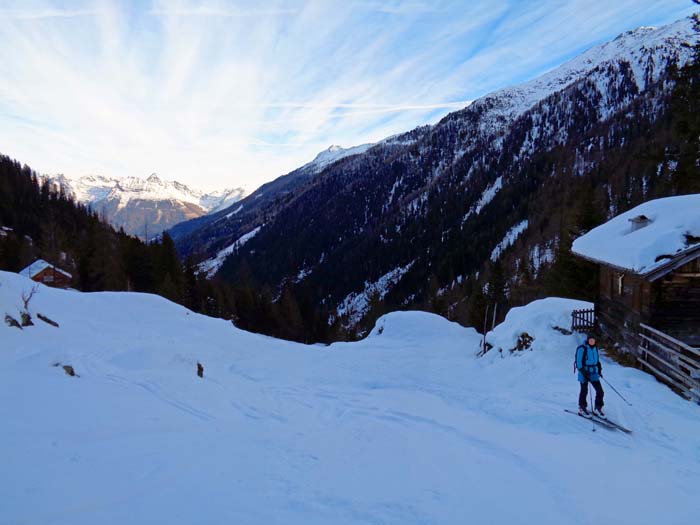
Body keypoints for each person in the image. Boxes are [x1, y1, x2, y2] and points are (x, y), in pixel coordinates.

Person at [576, 334, 605, 417]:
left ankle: (598, 407)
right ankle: (582, 407)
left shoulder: (595, 348)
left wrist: (599, 370)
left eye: (593, 340)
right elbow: (579, 363)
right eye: (590, 340)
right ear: (588, 340)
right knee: (584, 390)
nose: (592, 341)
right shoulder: (582, 348)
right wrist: (585, 373)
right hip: (584, 372)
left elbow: (597, 361)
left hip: (594, 373)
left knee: (600, 391)